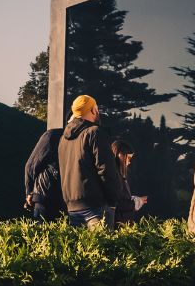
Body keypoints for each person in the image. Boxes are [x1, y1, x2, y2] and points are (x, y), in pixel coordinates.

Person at [58, 94, 124, 229]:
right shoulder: (95, 132)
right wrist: (113, 200)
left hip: (72, 208)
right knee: (102, 249)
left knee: (83, 250)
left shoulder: (63, 140)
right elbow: (106, 169)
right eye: (97, 109)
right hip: (96, 207)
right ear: (93, 110)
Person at [22, 128, 65, 220]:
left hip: (56, 196)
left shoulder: (54, 135)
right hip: (46, 196)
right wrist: (29, 192)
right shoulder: (52, 135)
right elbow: (31, 165)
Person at [110, 139, 149, 226]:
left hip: (122, 222)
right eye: (129, 157)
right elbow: (117, 204)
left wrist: (135, 200)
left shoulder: (120, 175)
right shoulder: (114, 177)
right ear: (120, 155)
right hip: (118, 224)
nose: (130, 161)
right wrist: (135, 202)